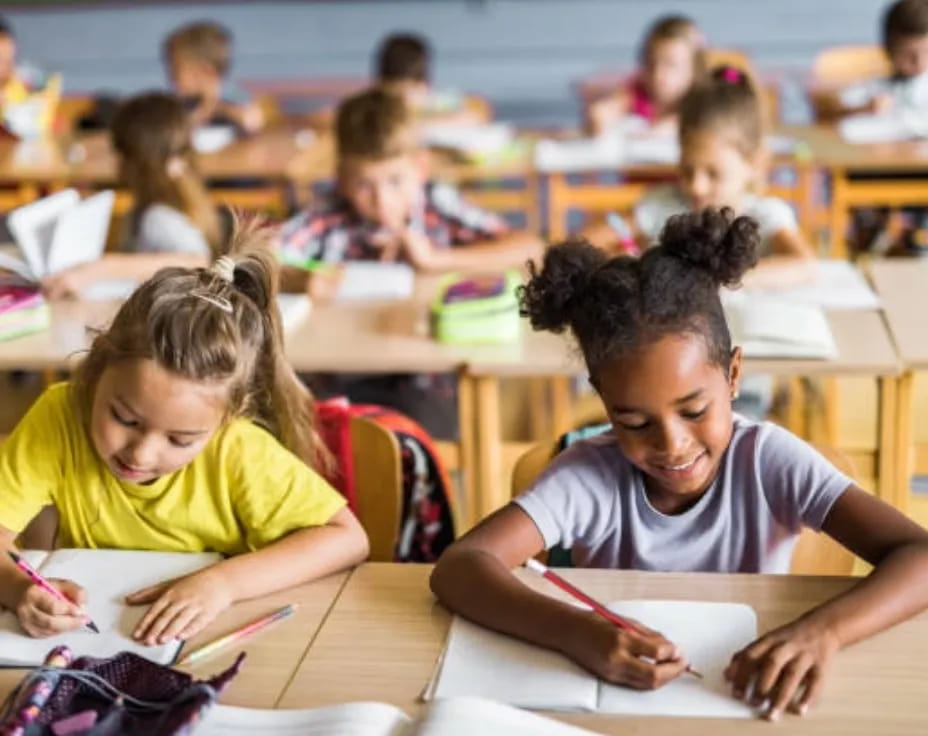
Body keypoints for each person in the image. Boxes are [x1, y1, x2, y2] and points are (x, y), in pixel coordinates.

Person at [430, 208, 928, 722]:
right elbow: (461, 566)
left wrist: (821, 632)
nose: (671, 444)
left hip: (742, 702)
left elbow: (920, 554)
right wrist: (576, 631)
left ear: (733, 375)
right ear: (603, 401)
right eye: (634, 421)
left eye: (694, 411)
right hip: (621, 712)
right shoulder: (590, 476)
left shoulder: (767, 460)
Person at [0, 225, 369, 645]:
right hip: (91, 644)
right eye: (125, 418)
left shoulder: (237, 448)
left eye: (180, 440)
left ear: (230, 417)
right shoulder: (60, 414)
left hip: (213, 640)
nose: (141, 453)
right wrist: (17, 588)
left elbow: (347, 539)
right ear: (97, 368)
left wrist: (222, 585)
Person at [277, 87, 541, 300]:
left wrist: (436, 259)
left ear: (420, 169)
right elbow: (251, 262)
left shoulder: (436, 203)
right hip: (341, 361)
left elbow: (532, 249)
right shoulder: (327, 215)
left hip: (428, 358)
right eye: (364, 185)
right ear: (342, 178)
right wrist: (298, 279)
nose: (382, 200)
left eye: (395, 181)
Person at [42, 92, 223, 299]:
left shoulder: (158, 216)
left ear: (133, 160)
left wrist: (100, 268)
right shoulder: (183, 193)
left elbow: (198, 262)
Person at [585, 15, 706, 137]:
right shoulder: (636, 91)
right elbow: (608, 109)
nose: (658, 74)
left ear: (695, 68)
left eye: (671, 64)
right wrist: (599, 116)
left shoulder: (705, 99)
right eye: (650, 63)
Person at [163, 20, 263, 135]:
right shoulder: (177, 110)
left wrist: (215, 108)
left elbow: (253, 121)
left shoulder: (239, 105)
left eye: (176, 69)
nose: (171, 76)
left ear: (206, 72)